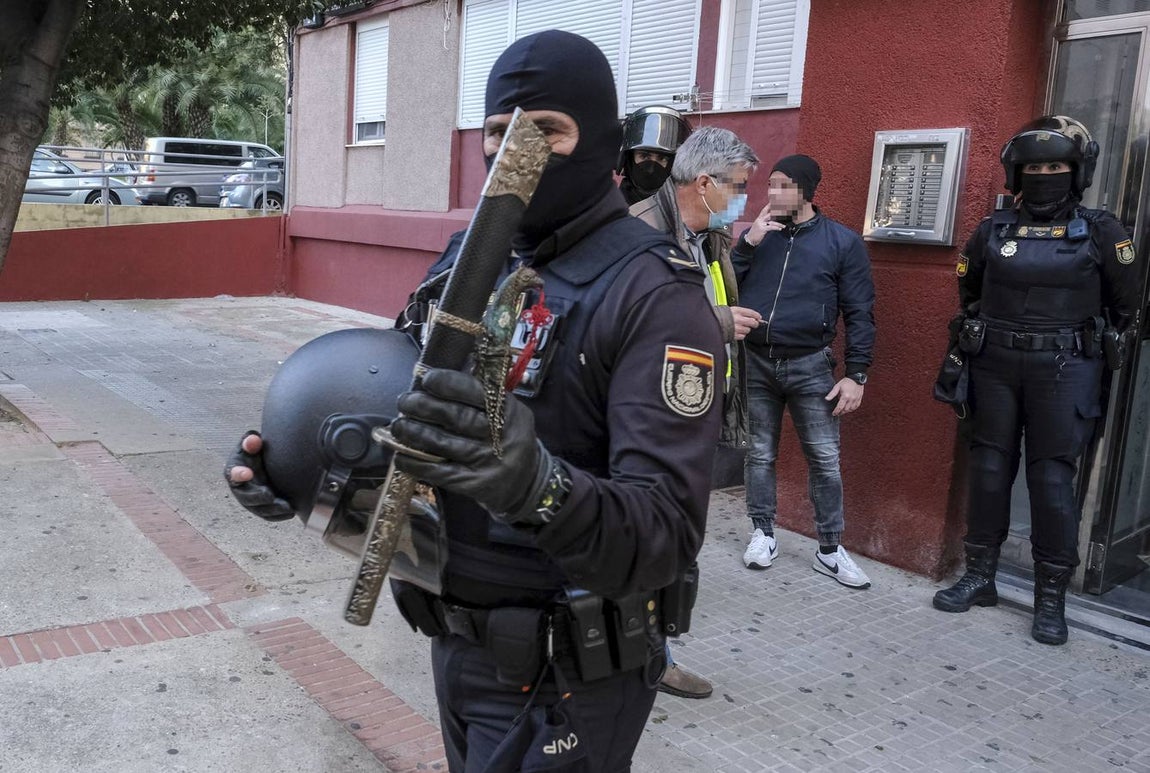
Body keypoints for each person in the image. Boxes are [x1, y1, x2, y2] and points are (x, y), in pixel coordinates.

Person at [228, 30, 725, 771]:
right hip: (453, 640)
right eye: (498, 130)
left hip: (570, 673)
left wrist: (535, 485)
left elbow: (664, 533)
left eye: (546, 129)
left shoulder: (656, 297)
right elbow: (404, 407)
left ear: (602, 143)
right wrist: (305, 468)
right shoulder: (469, 260)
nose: (513, 149)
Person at [932, 115, 1140, 646]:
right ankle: (980, 576)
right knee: (989, 470)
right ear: (1017, 174)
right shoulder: (993, 229)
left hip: (1066, 371)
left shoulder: (1102, 231)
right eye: (1035, 167)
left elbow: (1128, 306)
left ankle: (1051, 596)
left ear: (1076, 172)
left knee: (1051, 483)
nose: (1044, 174)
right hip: (996, 366)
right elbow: (970, 292)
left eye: (1056, 166)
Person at [630, 126, 761, 700]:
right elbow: (635, 332)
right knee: (647, 542)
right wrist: (717, 325)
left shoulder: (711, 236)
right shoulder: (640, 232)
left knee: (676, 542)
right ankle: (645, 659)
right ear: (704, 182)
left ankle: (654, 652)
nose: (743, 200)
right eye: (737, 187)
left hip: (693, 409)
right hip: (651, 420)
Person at [732, 154, 876, 588]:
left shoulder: (841, 242)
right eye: (770, 184)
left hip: (811, 364)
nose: (772, 193)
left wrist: (857, 374)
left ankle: (830, 550)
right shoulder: (758, 236)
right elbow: (725, 287)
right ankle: (763, 533)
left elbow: (860, 312)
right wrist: (748, 244)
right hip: (756, 360)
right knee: (759, 453)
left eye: (783, 185)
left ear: (807, 191)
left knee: (825, 459)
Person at [617, 105, 692, 205]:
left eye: (662, 158)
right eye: (644, 156)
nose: (651, 168)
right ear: (628, 160)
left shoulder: (686, 211)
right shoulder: (608, 210)